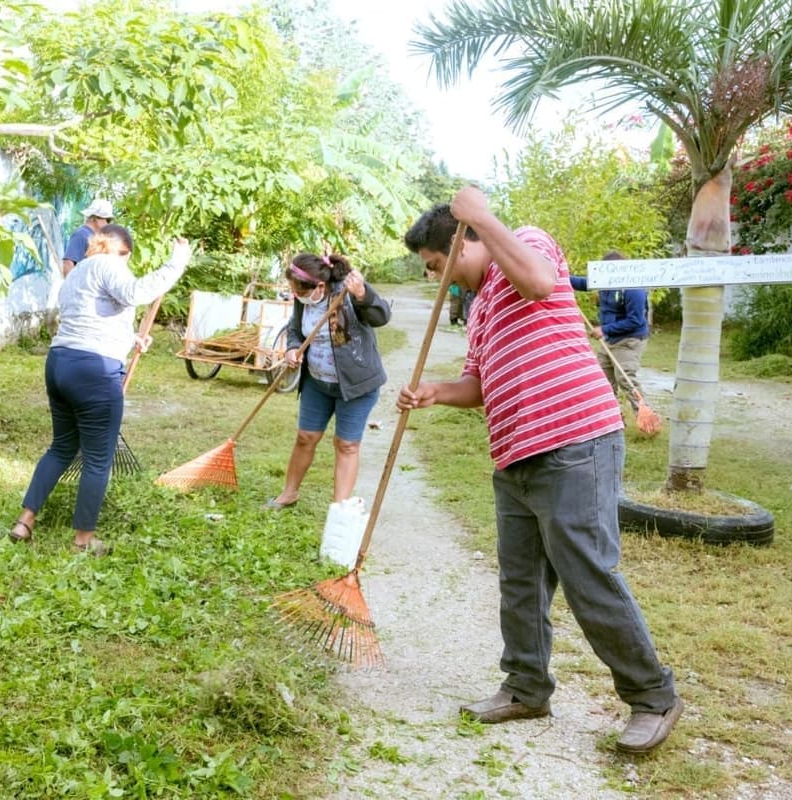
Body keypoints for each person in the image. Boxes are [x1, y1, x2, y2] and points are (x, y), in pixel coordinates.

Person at [399, 187, 682, 755]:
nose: (438, 280)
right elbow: (477, 385)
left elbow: (540, 283)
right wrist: (434, 391)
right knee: (520, 582)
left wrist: (479, 216)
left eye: (437, 266)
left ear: (461, 243)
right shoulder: (479, 309)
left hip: (575, 442)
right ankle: (527, 686)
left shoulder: (525, 244)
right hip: (516, 456)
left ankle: (653, 696)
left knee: (587, 575)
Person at [12, 225, 192, 553]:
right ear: (122, 251)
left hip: (60, 363)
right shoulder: (109, 265)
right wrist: (176, 262)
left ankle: (25, 521)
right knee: (98, 458)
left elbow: (89, 319)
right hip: (94, 371)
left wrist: (130, 339)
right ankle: (83, 539)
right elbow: (136, 293)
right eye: (128, 260)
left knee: (62, 447)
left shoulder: (78, 272)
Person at [265, 253, 391, 510]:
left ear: (320, 286)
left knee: (346, 444)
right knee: (305, 437)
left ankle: (339, 508)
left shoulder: (347, 292)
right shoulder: (304, 300)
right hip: (317, 382)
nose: (295, 295)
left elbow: (382, 317)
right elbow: (294, 329)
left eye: (298, 290)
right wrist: (292, 348)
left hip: (356, 384)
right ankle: (289, 493)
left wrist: (362, 294)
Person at [570, 251, 650, 412]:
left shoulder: (633, 289)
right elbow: (581, 282)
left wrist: (604, 329)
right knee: (602, 380)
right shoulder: (604, 281)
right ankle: (612, 418)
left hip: (629, 340)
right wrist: (559, 276)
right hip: (609, 340)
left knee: (625, 379)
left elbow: (635, 321)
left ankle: (645, 416)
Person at [62, 198, 115, 275]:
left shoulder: (93, 236)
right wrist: (72, 285)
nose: (108, 224)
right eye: (108, 220)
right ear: (95, 218)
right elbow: (68, 263)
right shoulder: (81, 234)